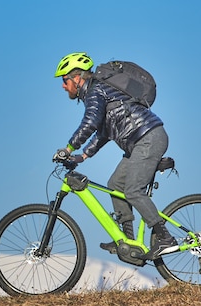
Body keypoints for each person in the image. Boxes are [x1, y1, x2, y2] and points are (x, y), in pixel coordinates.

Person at [52, 52, 178, 259]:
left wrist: (68, 148)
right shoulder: (97, 94)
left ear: (76, 78)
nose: (63, 86)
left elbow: (90, 123)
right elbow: (103, 131)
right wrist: (82, 156)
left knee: (133, 190)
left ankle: (164, 237)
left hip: (148, 138)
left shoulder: (96, 91)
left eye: (64, 81)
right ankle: (127, 239)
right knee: (115, 184)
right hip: (138, 142)